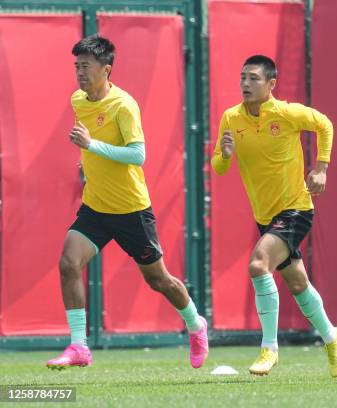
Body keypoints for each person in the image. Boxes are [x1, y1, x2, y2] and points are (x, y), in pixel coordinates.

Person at [46, 35, 208, 370]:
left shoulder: (124, 104)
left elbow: (138, 154)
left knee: (158, 281)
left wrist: (91, 148)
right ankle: (79, 347)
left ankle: (195, 324)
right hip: (95, 207)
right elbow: (94, 145)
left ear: (106, 69)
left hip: (131, 209)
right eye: (76, 66)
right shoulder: (79, 100)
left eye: (86, 66)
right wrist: (88, 161)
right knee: (68, 263)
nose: (80, 72)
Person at [211, 55, 337, 377]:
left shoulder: (286, 112)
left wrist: (322, 167)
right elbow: (218, 164)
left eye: (254, 78)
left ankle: (269, 348)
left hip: (296, 207)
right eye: (243, 77)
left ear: (271, 84)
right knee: (297, 283)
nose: (246, 83)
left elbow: (324, 124)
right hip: (265, 215)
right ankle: (331, 336)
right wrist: (225, 155)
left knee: (258, 264)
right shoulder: (231, 118)